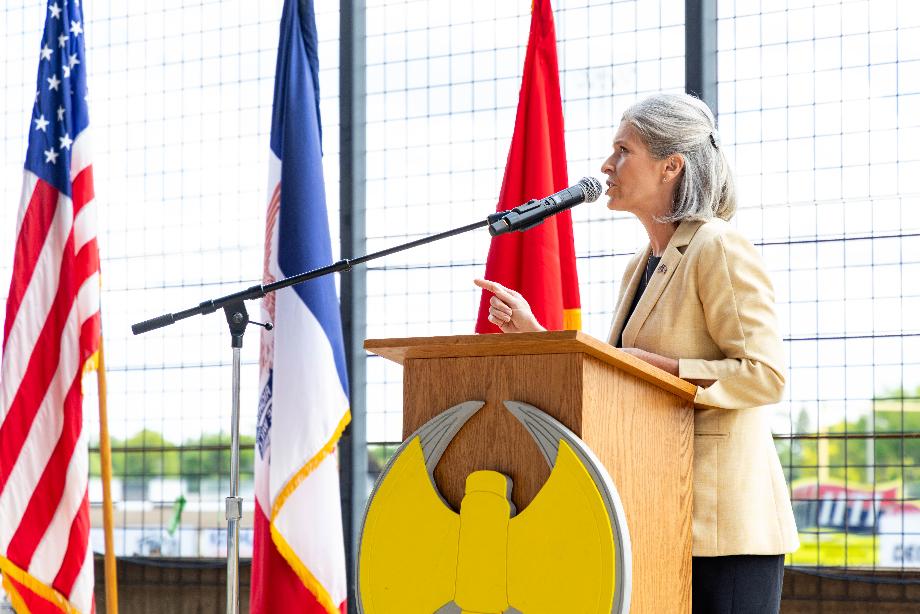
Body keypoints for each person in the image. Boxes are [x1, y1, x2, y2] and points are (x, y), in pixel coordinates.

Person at [474, 92, 798, 613]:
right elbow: (618, 379)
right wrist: (535, 333)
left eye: (623, 150)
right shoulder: (640, 264)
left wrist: (663, 370)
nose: (607, 165)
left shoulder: (717, 245)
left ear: (671, 166)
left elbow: (764, 375)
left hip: (725, 530)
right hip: (656, 515)